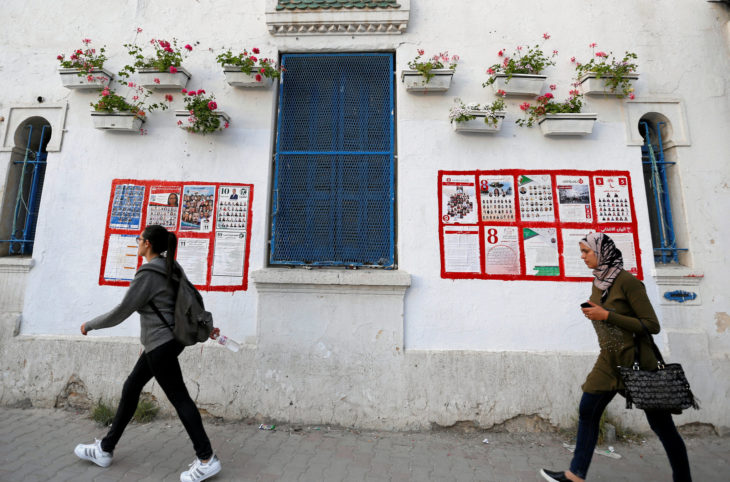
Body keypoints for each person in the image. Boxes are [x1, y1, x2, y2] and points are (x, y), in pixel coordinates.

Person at [75, 225, 222, 482]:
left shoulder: (147, 275)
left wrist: (90, 324)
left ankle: (207, 458)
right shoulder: (171, 267)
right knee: (131, 388)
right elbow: (190, 301)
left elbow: (122, 311)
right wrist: (206, 327)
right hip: (165, 343)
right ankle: (105, 449)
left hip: (160, 346)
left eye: (139, 239)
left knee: (180, 399)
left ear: (148, 245)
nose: (137, 242)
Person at [540, 232, 691, 482]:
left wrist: (607, 316)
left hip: (638, 365)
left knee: (662, 427)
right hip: (609, 361)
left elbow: (651, 325)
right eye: (582, 251)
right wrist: (594, 312)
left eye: (587, 251)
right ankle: (575, 475)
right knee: (588, 411)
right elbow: (603, 312)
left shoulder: (628, 282)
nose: (583, 256)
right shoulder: (599, 282)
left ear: (602, 252)